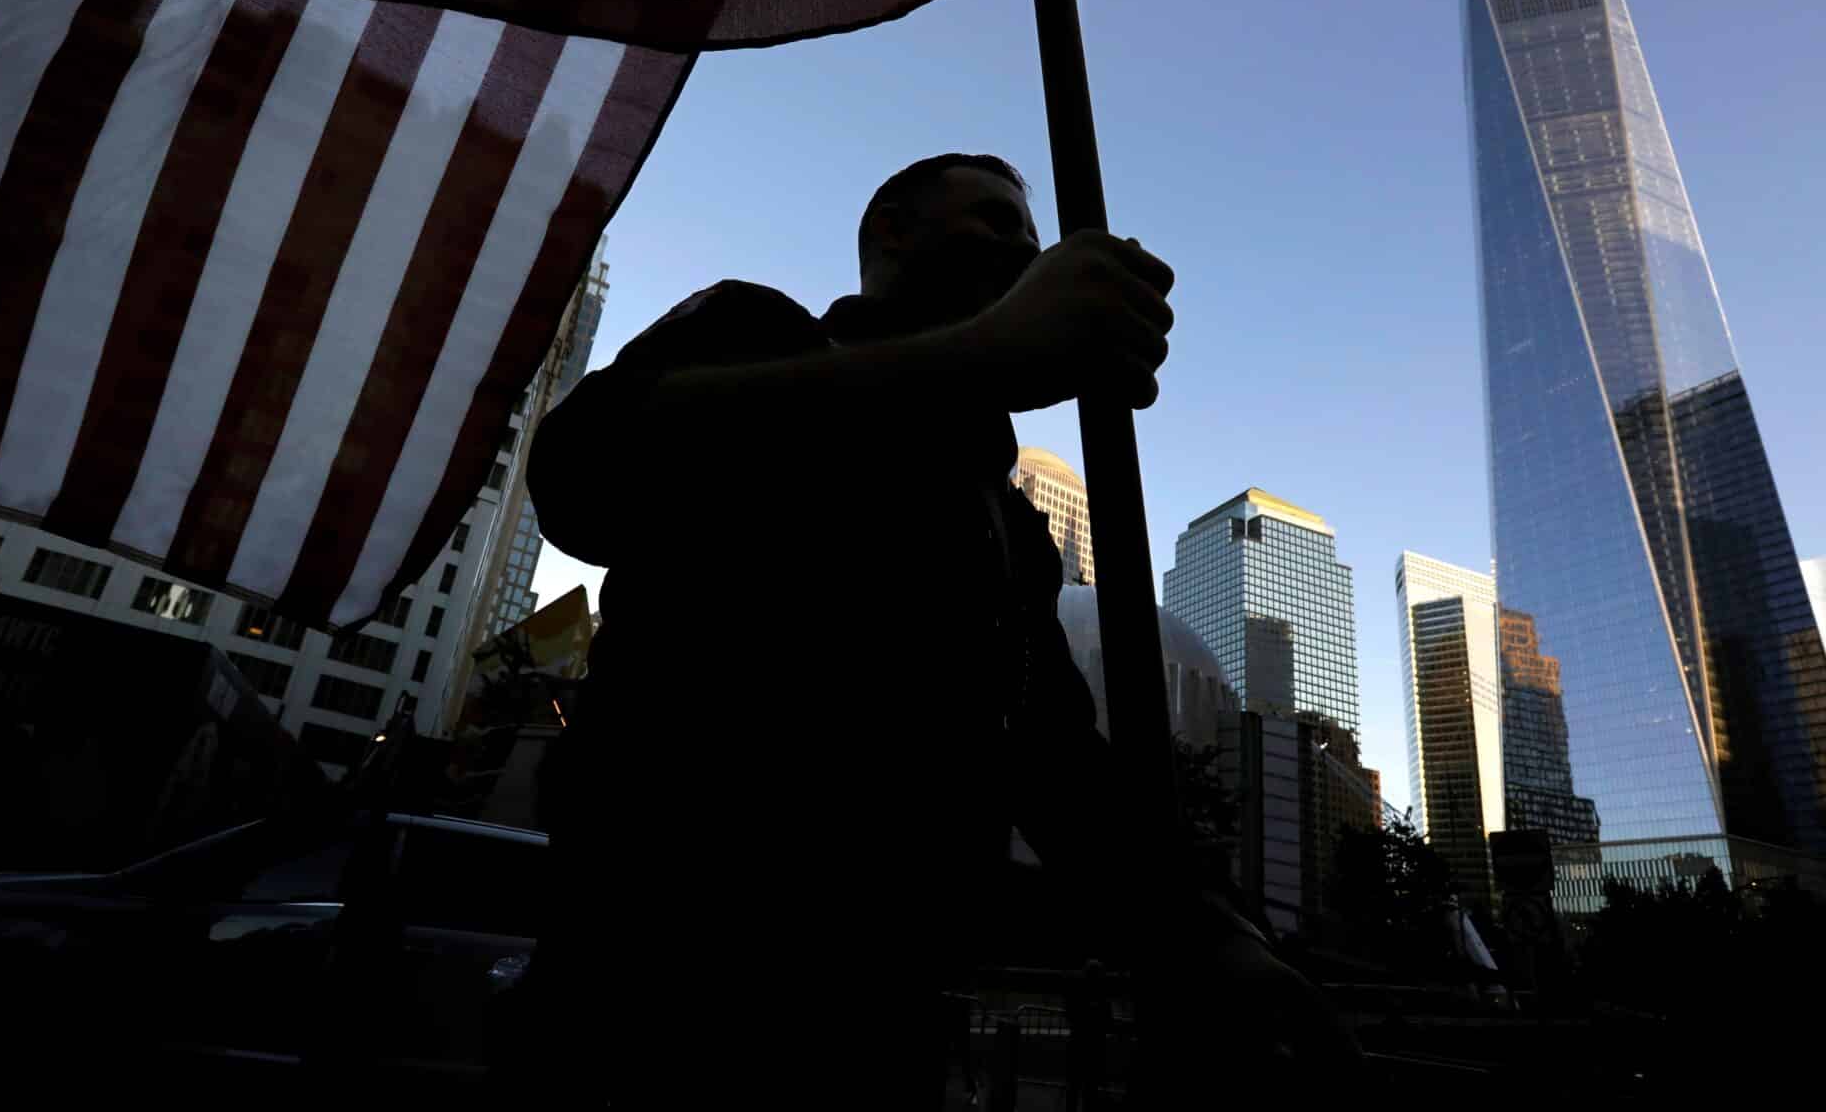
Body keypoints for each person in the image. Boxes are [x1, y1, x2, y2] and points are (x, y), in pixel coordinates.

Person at [516, 154, 1351, 1106]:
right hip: (652, 983)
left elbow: (1059, 764)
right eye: (991, 221)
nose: (1021, 249)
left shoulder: (1005, 532)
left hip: (884, 1012)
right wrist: (984, 353)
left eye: (1029, 239)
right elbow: (580, 474)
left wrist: (1206, 934)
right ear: (893, 235)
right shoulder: (751, 331)